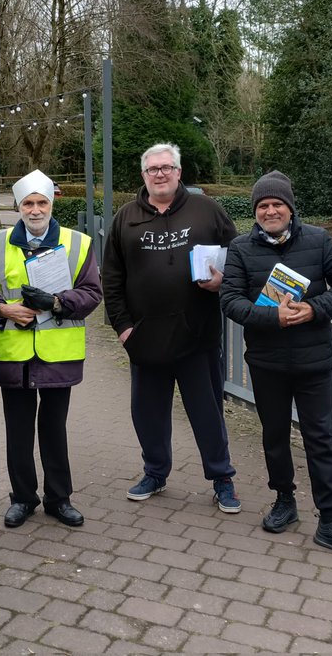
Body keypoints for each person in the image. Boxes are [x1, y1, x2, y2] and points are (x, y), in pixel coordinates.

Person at [218, 170, 332, 560]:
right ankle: (284, 499)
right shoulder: (240, 248)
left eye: (277, 204)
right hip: (267, 361)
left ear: (289, 208)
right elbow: (230, 299)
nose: (270, 211)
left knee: (321, 438)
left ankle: (331, 519)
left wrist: (314, 308)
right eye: (263, 205)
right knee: (274, 435)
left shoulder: (318, 240)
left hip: (313, 360)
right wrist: (274, 319)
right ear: (255, 211)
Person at [101, 142, 242, 513]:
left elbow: (240, 258)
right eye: (152, 170)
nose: (160, 174)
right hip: (145, 337)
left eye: (166, 168)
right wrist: (123, 328)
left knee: (207, 411)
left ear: (179, 172)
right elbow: (112, 279)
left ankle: (221, 477)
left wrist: (223, 280)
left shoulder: (207, 210)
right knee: (147, 412)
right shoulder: (125, 218)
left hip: (198, 335)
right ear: (143, 175)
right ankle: (155, 472)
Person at [0, 169, 103, 529]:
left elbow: (92, 292)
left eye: (42, 202)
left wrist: (58, 302)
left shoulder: (77, 242)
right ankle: (22, 498)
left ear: (51, 204)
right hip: (14, 353)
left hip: (58, 353)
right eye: (28, 203)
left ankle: (59, 498)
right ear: (18, 206)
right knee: (17, 431)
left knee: (54, 428)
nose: (35, 210)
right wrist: (3, 309)